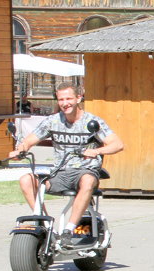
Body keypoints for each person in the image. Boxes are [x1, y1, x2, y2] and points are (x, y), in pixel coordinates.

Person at [9, 82, 124, 246]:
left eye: (69, 98)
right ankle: (46, 226)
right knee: (26, 179)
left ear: (78, 98)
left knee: (88, 180)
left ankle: (68, 230)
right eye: (61, 99)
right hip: (59, 173)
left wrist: (96, 151)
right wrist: (20, 150)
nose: (65, 103)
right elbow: (29, 140)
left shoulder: (92, 122)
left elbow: (117, 144)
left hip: (84, 171)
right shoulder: (52, 121)